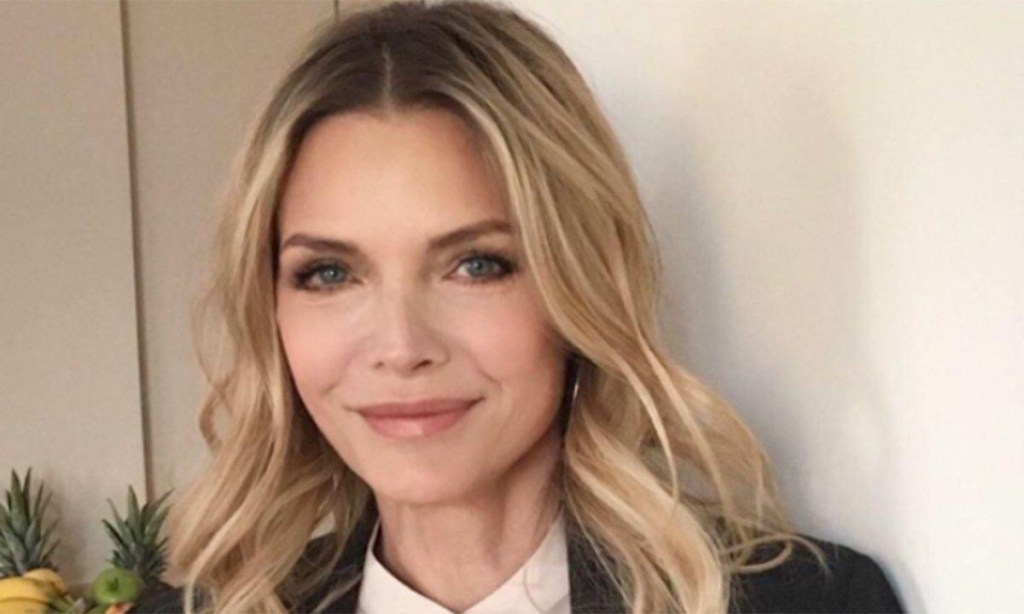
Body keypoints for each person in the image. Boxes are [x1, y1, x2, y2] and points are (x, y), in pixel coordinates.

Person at [131, 1, 905, 612]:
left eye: (477, 265)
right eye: (330, 274)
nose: (400, 346)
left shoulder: (811, 602)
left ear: (582, 284)